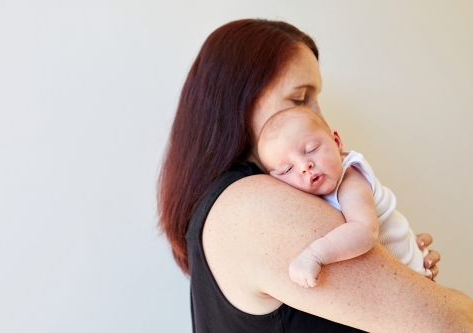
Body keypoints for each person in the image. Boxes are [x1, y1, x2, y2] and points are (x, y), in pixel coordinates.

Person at [158, 19, 473, 332]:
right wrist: (446, 299)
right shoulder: (255, 206)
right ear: (238, 102)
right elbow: (450, 324)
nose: (317, 115)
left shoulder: (222, 206)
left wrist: (399, 261)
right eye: (299, 99)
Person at [257, 107, 431, 289]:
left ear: (337, 142)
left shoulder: (350, 178)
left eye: (311, 149)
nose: (304, 166)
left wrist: (314, 254)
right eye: (287, 169)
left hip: (415, 278)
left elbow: (365, 231)